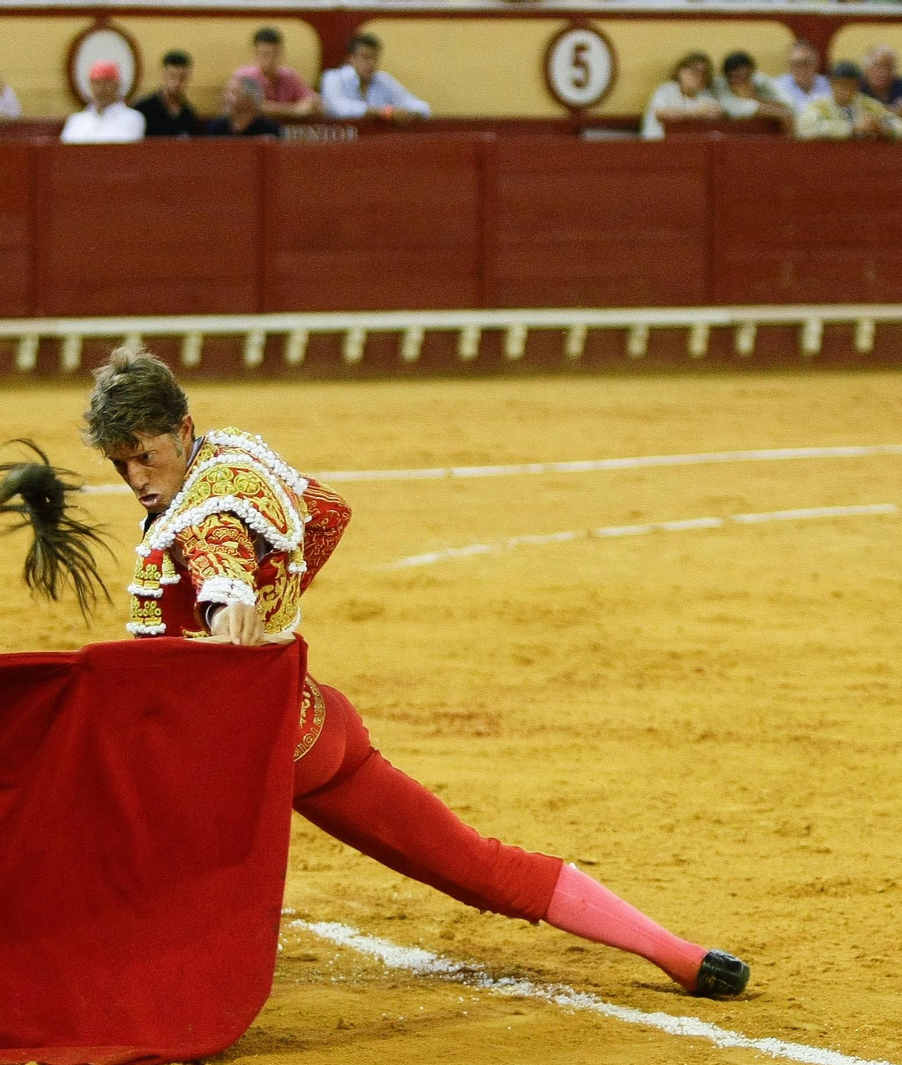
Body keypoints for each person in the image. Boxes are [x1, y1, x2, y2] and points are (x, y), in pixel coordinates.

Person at [82, 347, 752, 999]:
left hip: (254, 752)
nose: (138, 476)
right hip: (318, 725)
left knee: (104, 827)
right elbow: (328, 513)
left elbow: (219, 571)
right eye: (123, 463)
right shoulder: (235, 460)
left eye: (147, 454)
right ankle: (680, 955)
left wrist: (234, 607)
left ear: (183, 430)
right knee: (477, 864)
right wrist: (274, 596)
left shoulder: (204, 517)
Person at [320, 33, 431, 122]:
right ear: (351, 59)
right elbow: (339, 108)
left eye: (375, 58)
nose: (371, 63)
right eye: (365, 58)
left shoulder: (383, 79)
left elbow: (421, 107)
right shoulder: (332, 77)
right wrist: (383, 112)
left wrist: (409, 113)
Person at [797, 60, 902, 140]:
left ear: (858, 86)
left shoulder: (869, 105)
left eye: (852, 85)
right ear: (832, 84)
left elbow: (898, 125)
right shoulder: (819, 105)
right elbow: (805, 128)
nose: (846, 90)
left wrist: (884, 128)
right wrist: (852, 128)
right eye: (842, 85)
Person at [233, 27, 321, 120]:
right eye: (265, 54)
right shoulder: (245, 76)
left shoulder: (290, 75)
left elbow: (312, 100)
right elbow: (252, 106)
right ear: (256, 53)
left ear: (282, 52)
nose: (270, 60)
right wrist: (293, 110)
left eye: (275, 54)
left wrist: (310, 104)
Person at [60, 60, 145, 144]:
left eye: (107, 82)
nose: (101, 89)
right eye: (96, 83)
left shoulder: (132, 118)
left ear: (118, 85)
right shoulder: (76, 120)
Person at [641, 52, 722, 139]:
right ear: (680, 71)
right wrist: (696, 113)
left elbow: (715, 113)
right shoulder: (666, 90)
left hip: (690, 145)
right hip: (657, 143)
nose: (699, 77)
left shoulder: (705, 95)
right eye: (695, 72)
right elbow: (661, 114)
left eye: (704, 74)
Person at [711, 50, 793, 128]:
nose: (740, 80)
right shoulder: (720, 86)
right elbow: (734, 109)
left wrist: (755, 98)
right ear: (727, 76)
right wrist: (773, 110)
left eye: (745, 76)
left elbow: (788, 103)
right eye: (735, 76)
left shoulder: (760, 80)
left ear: (752, 72)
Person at [132, 49, 199, 137]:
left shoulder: (188, 114)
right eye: (172, 76)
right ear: (163, 74)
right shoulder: (143, 109)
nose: (177, 82)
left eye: (182, 78)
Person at [204, 75, 282, 137]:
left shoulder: (269, 129)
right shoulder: (216, 127)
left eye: (233, 93)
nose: (225, 97)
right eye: (226, 92)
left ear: (250, 100)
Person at [774, 40, 831, 115]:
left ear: (816, 64)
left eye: (806, 63)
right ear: (789, 66)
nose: (801, 69)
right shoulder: (777, 87)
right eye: (796, 64)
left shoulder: (829, 86)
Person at [859, 45, 902, 112]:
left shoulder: (899, 85)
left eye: (888, 67)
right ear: (867, 68)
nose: (883, 72)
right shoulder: (856, 89)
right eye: (877, 66)